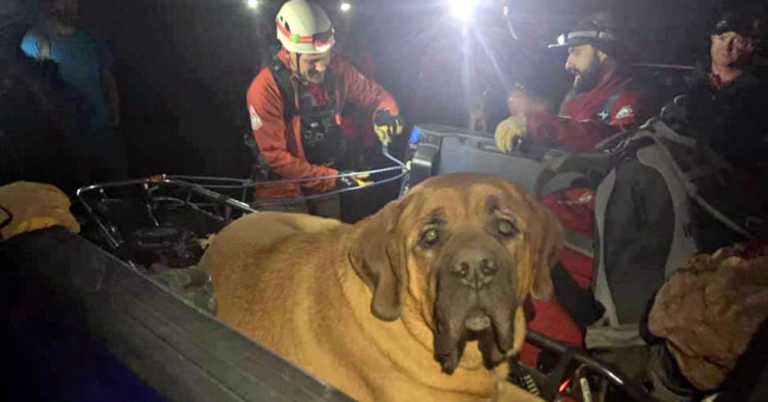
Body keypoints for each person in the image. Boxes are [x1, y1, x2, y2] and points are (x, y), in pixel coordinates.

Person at [246, 0, 402, 219]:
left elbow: (376, 95)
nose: (321, 67)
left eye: (325, 57)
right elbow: (275, 156)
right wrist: (333, 179)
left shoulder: (337, 71)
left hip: (324, 184)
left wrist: (386, 113)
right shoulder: (265, 89)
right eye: (312, 61)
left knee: (328, 244)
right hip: (283, 190)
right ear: (290, 53)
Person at [495, 12, 654, 153]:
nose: (567, 64)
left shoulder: (630, 98)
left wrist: (538, 126)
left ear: (603, 53)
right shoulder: (577, 96)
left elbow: (615, 140)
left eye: (576, 52)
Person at [20, 0, 125, 187]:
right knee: (78, 194)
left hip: (103, 128)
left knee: (117, 186)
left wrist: (115, 109)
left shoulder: (91, 39)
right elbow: (29, 87)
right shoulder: (36, 41)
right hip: (69, 135)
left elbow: (107, 77)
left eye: (73, 1)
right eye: (64, 1)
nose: (70, 5)